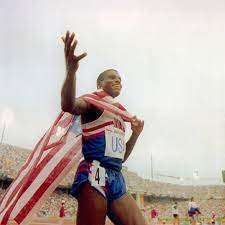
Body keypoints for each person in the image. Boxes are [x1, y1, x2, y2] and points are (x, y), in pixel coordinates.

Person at [61, 30, 146, 225]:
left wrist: (135, 134)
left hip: (116, 176)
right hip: (95, 173)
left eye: (120, 79)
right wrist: (71, 72)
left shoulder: (120, 114)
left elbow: (121, 157)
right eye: (112, 77)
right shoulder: (92, 102)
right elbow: (68, 106)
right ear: (100, 83)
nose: (118, 81)